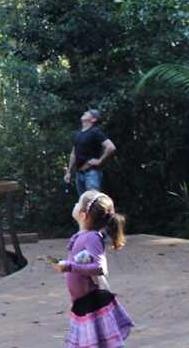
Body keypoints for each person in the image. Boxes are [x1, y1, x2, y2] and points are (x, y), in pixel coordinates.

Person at [54, 190, 134, 348]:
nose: (75, 205)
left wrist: (70, 266)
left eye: (78, 203)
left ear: (83, 214)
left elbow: (99, 267)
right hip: (82, 302)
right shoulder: (83, 235)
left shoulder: (92, 237)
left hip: (92, 304)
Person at [64, 109, 116, 194]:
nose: (85, 113)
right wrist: (69, 172)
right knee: (83, 203)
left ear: (93, 119)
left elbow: (111, 147)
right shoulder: (79, 134)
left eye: (88, 113)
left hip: (92, 173)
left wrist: (100, 161)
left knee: (93, 202)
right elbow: (74, 153)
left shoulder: (95, 132)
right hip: (79, 173)